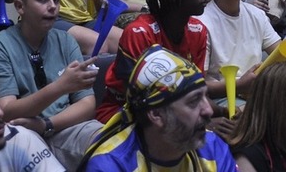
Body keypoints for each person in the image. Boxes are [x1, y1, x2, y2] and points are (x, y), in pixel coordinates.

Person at [0, 0, 103, 169]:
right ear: (20, 6)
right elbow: (6, 111)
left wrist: (47, 125)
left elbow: (87, 104)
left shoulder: (65, 40)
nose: (52, 7)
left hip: (65, 125)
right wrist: (60, 86)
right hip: (22, 133)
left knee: (111, 144)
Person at [82, 45, 235, 172]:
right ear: (156, 114)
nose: (208, 110)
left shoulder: (214, 147)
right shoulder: (111, 166)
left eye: (205, 96)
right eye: (193, 101)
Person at [96, 0, 209, 123]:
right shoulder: (138, 33)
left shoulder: (198, 30)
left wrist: (221, 112)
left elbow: (195, 88)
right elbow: (138, 99)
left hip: (174, 113)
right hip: (123, 112)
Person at [198, 0, 280, 103]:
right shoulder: (202, 24)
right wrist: (239, 85)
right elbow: (199, 86)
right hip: (225, 96)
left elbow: (282, 53)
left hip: (257, 90)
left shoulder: (256, 14)